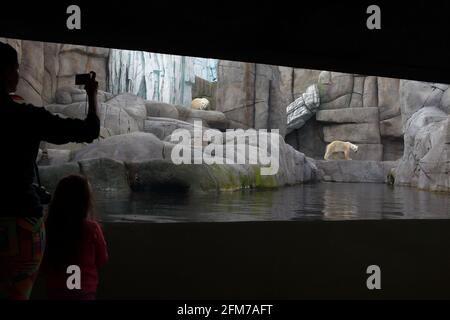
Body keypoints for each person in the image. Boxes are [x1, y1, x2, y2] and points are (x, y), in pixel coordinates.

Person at [0, 41, 100, 300]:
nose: (19, 75)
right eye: (15, 69)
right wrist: (91, 95)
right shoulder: (26, 116)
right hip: (22, 221)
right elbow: (89, 130)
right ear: (8, 72)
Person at [43, 174, 108, 300]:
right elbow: (102, 259)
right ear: (85, 202)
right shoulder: (91, 229)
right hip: (84, 292)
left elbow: (43, 263)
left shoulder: (48, 228)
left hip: (55, 291)